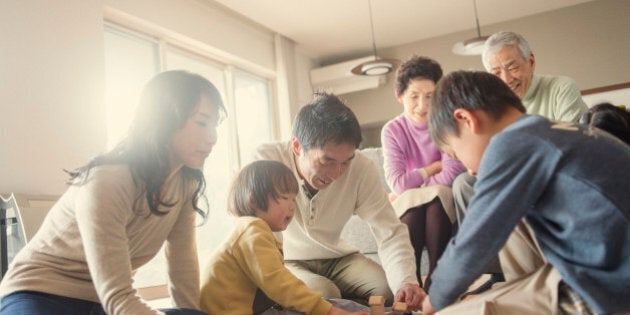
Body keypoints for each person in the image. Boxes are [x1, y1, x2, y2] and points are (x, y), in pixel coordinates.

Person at [0, 70, 226, 315]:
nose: (212, 137)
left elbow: (183, 268)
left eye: (214, 125)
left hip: (100, 303)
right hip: (40, 294)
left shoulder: (184, 186)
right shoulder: (108, 180)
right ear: (165, 119)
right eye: (202, 122)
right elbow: (119, 300)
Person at [420, 70, 630, 315]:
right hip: (604, 267)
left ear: (466, 119)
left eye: (456, 152)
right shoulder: (545, 132)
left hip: (610, 287)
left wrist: (435, 299)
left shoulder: (510, 144)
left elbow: (474, 240)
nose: (469, 169)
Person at [254, 92, 423, 311]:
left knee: (388, 291)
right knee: (325, 294)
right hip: (288, 261)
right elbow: (256, 232)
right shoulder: (267, 161)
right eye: (327, 161)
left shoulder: (362, 168)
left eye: (346, 162)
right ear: (297, 147)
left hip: (339, 258)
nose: (336, 174)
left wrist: (406, 280)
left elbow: (389, 230)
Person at [451, 30, 590, 292]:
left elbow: (568, 145)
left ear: (531, 62)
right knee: (465, 183)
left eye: (512, 67)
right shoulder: (491, 106)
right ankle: (497, 271)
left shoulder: (561, 87)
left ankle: (544, 274)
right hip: (515, 175)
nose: (506, 79)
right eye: (495, 72)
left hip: (557, 176)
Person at [199, 160, 369, 315]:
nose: (291, 206)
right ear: (253, 201)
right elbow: (279, 283)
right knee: (332, 307)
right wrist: (330, 311)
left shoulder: (250, 229)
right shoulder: (253, 230)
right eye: (285, 197)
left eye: (293, 199)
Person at [380, 55, 465, 291]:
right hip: (410, 202)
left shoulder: (447, 122)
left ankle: (438, 282)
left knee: (435, 198)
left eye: (430, 96)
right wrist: (430, 168)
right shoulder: (393, 130)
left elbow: (452, 174)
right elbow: (397, 183)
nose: (422, 105)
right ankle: (411, 283)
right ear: (400, 97)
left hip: (441, 196)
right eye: (414, 96)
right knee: (413, 206)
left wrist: (415, 185)